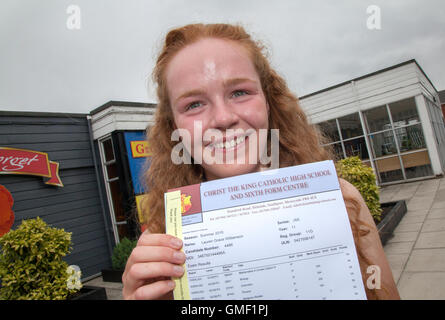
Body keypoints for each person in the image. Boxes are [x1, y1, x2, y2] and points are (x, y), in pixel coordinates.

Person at [122, 23, 401, 300]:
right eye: (194, 104)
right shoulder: (165, 247)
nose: (222, 118)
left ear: (268, 101)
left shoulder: (342, 200)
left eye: (239, 92)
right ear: (175, 128)